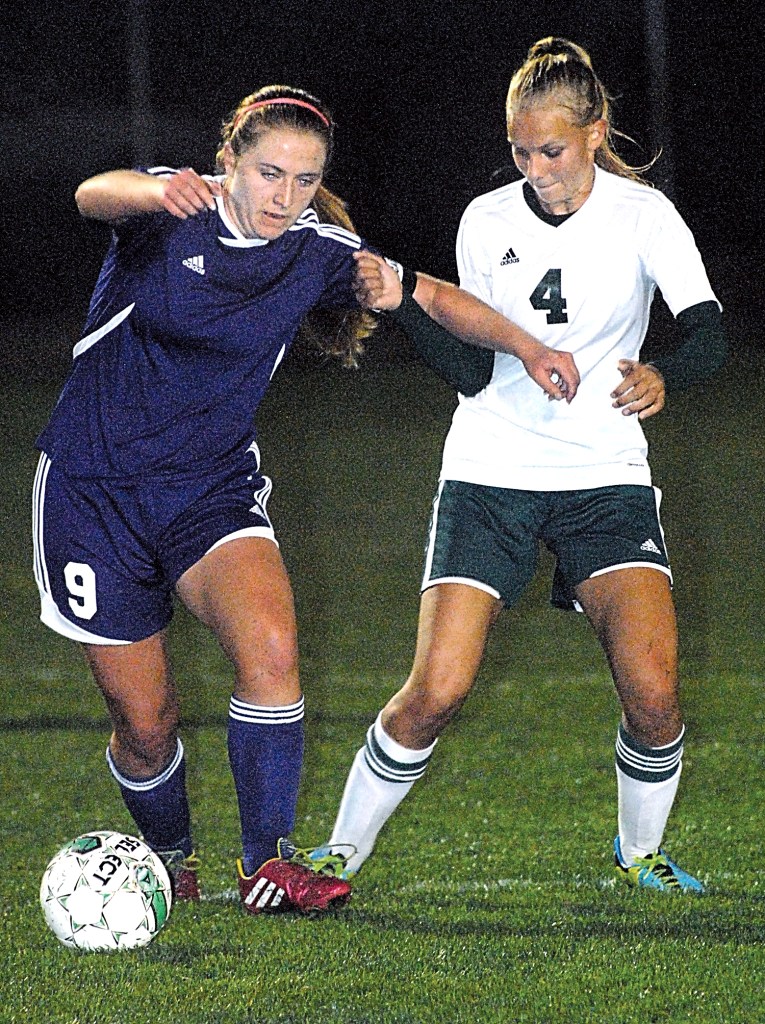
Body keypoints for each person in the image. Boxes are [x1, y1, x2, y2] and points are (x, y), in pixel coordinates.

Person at [32, 84, 580, 916]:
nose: (283, 196)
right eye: (267, 173)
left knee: (272, 650)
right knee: (145, 725)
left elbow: (430, 295)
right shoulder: (174, 210)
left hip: (210, 489)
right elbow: (91, 194)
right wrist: (148, 190)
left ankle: (268, 862)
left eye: (303, 179)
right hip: (92, 493)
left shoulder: (316, 250)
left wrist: (527, 346)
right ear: (229, 161)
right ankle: (170, 858)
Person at [318, 38, 727, 893]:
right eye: (519, 152)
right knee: (435, 690)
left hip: (604, 474)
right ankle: (336, 856)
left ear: (594, 132)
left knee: (654, 695)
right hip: (490, 469)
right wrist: (405, 307)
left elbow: (708, 334)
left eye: (551, 150)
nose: (535, 170)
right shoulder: (486, 220)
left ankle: (639, 854)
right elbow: (473, 370)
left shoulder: (643, 215)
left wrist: (663, 373)